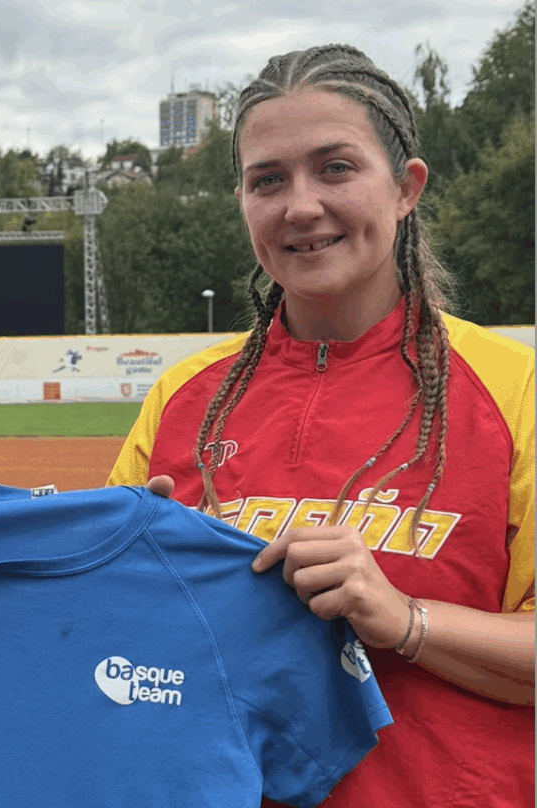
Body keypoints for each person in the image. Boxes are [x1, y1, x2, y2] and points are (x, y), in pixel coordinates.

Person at [108, 45, 534, 807]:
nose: (299, 206)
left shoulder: (516, 389)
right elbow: (110, 647)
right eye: (267, 179)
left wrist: (402, 618)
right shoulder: (183, 399)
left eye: (335, 168)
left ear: (406, 189)